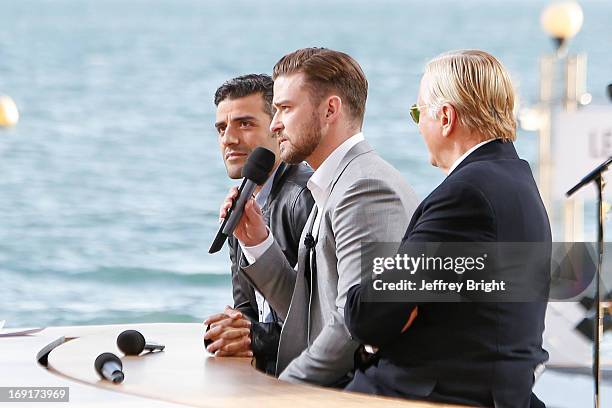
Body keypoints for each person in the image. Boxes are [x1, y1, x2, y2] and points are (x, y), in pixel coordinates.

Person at [344, 50, 551, 407]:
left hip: (436, 393)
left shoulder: (466, 193)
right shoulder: (516, 179)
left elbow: (371, 314)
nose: (417, 124)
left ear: (445, 117)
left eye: (416, 113)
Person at [219, 48, 418, 386]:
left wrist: (283, 390)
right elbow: (309, 313)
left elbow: (350, 328)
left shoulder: (365, 188)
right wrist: (257, 242)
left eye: (285, 108)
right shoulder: (331, 182)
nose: (275, 123)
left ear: (330, 110)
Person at [204, 74, 314, 375]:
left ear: (277, 126)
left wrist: (257, 339)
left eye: (245, 124)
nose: (229, 138)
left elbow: (324, 324)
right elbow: (247, 310)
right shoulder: (241, 202)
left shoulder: (303, 198)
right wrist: (235, 329)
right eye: (221, 128)